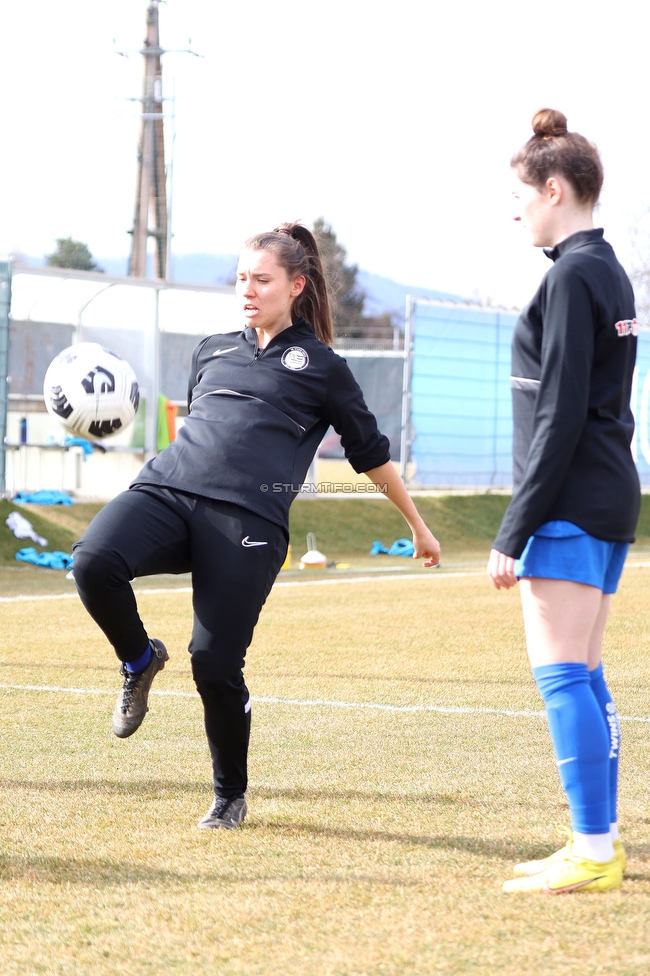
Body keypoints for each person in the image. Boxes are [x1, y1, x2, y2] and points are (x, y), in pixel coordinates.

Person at [72, 222, 441, 830]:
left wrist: (418, 526)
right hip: (167, 490)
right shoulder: (212, 348)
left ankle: (228, 795)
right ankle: (138, 660)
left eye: (261, 280)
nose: (248, 289)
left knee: (213, 664)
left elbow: (368, 451)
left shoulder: (323, 367)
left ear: (295, 285)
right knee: (92, 561)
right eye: (242, 278)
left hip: (248, 520)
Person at [488, 110, 639, 894]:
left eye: (520, 194)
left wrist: (514, 528)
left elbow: (561, 413)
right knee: (584, 672)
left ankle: (593, 848)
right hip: (606, 495)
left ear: (554, 189)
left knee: (564, 679)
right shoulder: (604, 268)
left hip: (572, 503)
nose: (515, 210)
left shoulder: (573, 275)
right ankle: (597, 840)